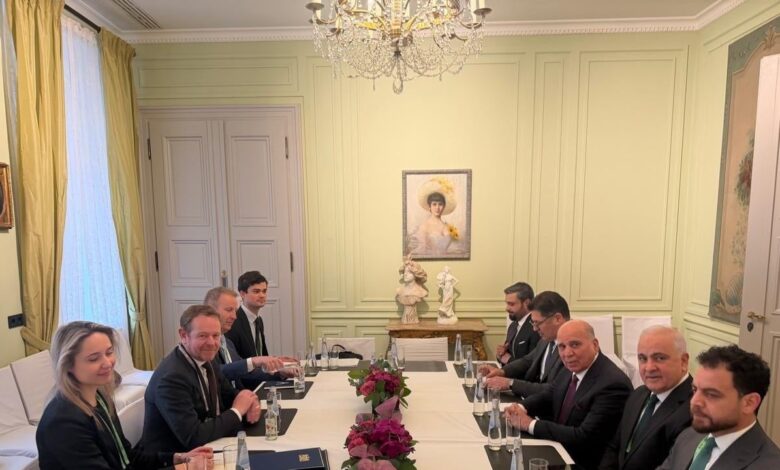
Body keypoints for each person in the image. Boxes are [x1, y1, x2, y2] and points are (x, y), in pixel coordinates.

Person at [36, 321, 211, 469]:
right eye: (94, 358)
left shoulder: (100, 398)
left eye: (109, 352)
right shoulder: (63, 422)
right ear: (67, 365)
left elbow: (126, 458)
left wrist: (176, 458)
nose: (107, 363)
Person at [505, 319, 632, 470]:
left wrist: (529, 424)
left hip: (581, 462)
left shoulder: (613, 384)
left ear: (595, 345)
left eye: (575, 345)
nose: (567, 353)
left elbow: (583, 437)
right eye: (562, 346)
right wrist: (520, 407)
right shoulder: (572, 366)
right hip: (558, 449)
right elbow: (549, 395)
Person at [141, 305, 261, 454]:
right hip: (177, 457)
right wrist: (237, 411)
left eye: (216, 335)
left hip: (209, 446)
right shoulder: (171, 378)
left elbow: (230, 394)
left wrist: (249, 400)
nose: (211, 343)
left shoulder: (207, 359)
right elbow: (193, 437)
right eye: (203, 336)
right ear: (183, 335)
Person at [658, 345, 780, 470]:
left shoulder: (769, 465)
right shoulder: (689, 436)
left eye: (711, 394)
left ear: (749, 403)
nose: (695, 401)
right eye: (695, 390)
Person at [599, 326, 692, 470]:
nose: (649, 368)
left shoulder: (694, 409)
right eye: (642, 358)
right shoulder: (638, 394)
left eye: (659, 358)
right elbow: (615, 447)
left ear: (683, 361)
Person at [204, 286, 294, 389]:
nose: (234, 316)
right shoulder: (205, 344)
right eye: (229, 310)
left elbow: (246, 373)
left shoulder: (227, 343)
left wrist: (280, 373)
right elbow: (215, 372)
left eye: (235, 311)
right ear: (211, 311)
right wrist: (253, 361)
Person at [482, 290, 567, 398]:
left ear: (557, 319)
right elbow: (528, 361)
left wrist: (510, 383)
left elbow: (554, 390)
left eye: (538, 323)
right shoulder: (547, 338)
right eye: (533, 323)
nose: (535, 329)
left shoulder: (572, 348)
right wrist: (502, 371)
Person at [226, 271, 293, 362]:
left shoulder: (258, 321)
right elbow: (234, 362)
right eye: (256, 291)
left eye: (264, 291)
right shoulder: (234, 322)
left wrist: (276, 361)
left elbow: (262, 356)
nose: (262, 295)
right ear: (242, 294)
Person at [408, 177, 460, 257]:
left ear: (444, 206)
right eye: (434, 204)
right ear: (430, 207)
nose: (437, 208)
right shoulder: (424, 226)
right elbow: (422, 251)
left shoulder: (448, 226)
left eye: (440, 204)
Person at [496, 282, 539, 365]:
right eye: (507, 303)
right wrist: (500, 354)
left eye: (511, 304)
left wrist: (509, 360)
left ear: (527, 303)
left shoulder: (536, 328)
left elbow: (533, 365)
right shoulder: (513, 326)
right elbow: (505, 356)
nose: (507, 308)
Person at [396, 255, 428, 324]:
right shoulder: (400, 291)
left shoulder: (421, 291)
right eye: (405, 272)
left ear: (416, 274)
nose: (405, 274)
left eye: (409, 272)